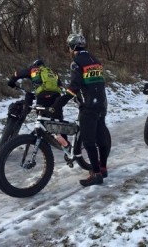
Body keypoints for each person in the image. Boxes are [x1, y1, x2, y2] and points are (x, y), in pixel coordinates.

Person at [49, 33, 109, 187]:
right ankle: (103, 168)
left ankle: (96, 174)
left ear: (73, 47)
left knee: (89, 141)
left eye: (69, 47)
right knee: (101, 137)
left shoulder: (76, 62)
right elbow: (96, 83)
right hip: (101, 103)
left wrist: (60, 102)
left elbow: (75, 86)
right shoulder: (96, 60)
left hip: (88, 106)